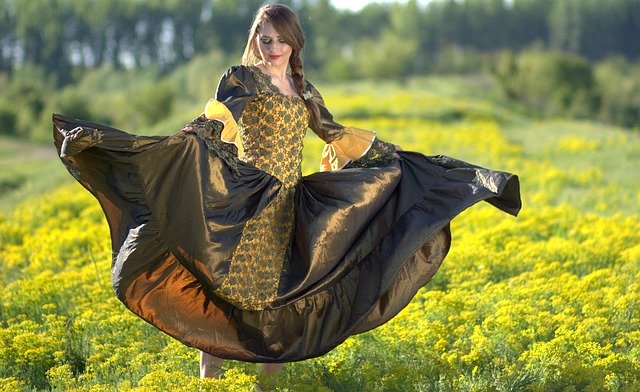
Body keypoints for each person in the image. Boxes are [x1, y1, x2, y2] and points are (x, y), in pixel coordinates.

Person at [53, 2, 521, 385]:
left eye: (278, 38)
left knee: (282, 299)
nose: (270, 46)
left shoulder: (305, 90)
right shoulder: (243, 79)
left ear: (294, 41)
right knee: (224, 287)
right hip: (244, 200)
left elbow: (334, 133)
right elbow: (218, 117)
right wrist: (193, 133)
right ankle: (209, 379)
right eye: (263, 37)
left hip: (288, 207)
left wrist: (390, 155)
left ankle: (264, 385)